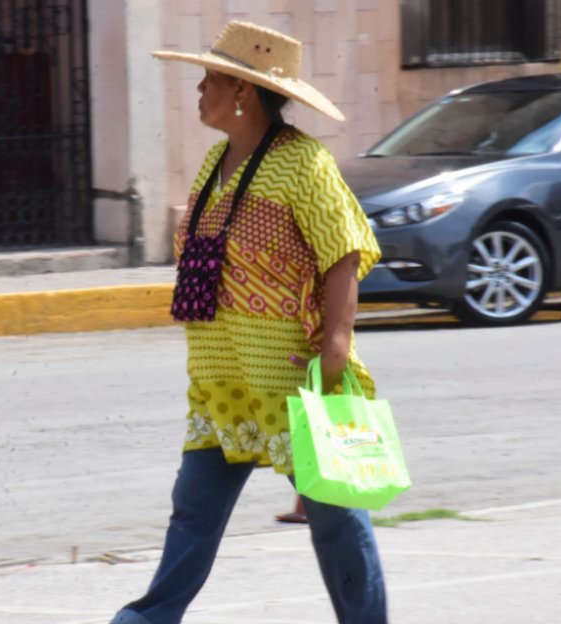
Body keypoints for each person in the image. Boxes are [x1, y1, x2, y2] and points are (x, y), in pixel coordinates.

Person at [110, 21, 387, 624]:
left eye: (211, 80)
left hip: (293, 376)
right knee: (192, 515)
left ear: (244, 92)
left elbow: (345, 248)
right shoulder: (216, 160)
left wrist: (337, 342)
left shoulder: (304, 164)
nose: (200, 90)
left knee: (336, 522)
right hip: (223, 378)